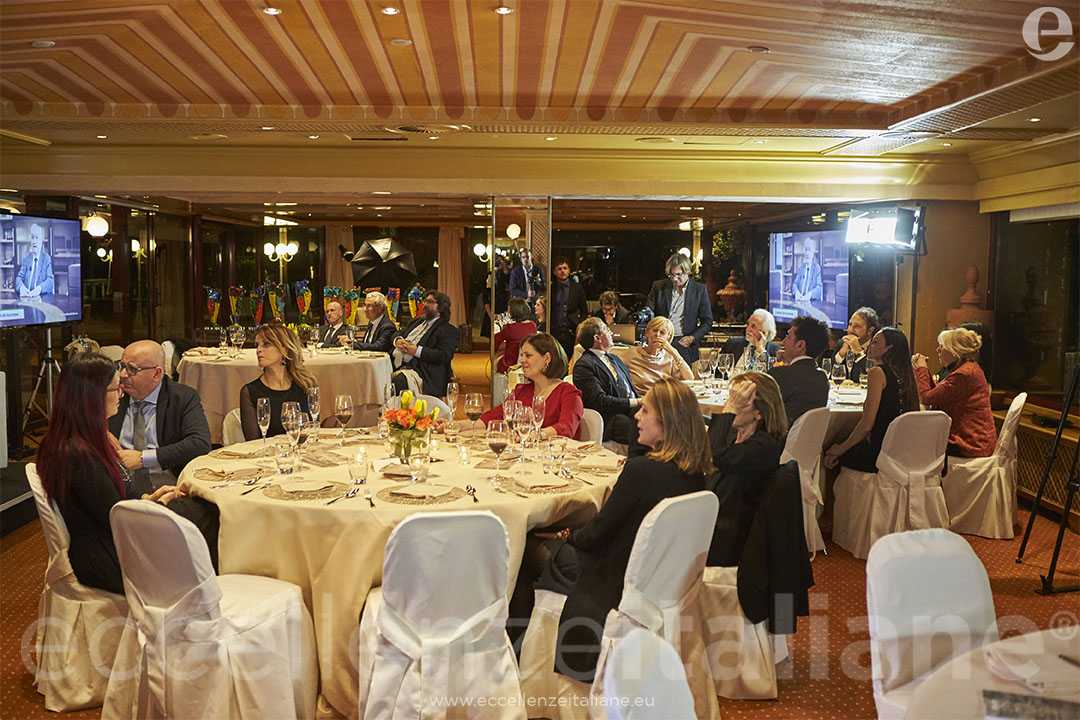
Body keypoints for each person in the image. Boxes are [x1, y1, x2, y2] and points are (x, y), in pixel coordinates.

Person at [519, 379, 713, 680]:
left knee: (526, 550)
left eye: (645, 411)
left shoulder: (641, 471)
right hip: (661, 580)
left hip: (615, 578)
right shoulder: (697, 472)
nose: (636, 416)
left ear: (667, 422)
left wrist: (566, 533)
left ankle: (521, 658)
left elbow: (596, 535)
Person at [38, 353, 220, 595]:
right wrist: (158, 507)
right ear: (93, 397)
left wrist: (150, 499)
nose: (121, 394)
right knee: (210, 513)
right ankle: (205, 598)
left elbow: (114, 500)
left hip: (111, 539)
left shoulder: (77, 440)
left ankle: (204, 592)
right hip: (110, 558)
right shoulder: (79, 454)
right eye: (116, 389)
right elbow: (117, 520)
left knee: (197, 506)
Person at [706, 372, 787, 567]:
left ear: (759, 413)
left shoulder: (764, 446)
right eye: (730, 399)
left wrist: (729, 409)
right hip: (714, 518)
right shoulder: (735, 436)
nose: (729, 406)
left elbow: (715, 455)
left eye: (738, 402)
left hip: (730, 539)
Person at [108, 340, 211, 493]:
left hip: (169, 487)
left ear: (156, 374)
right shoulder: (112, 395)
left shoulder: (182, 397)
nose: (123, 374)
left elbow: (199, 443)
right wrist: (101, 432)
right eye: (121, 366)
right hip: (119, 489)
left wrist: (143, 458)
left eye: (132, 369)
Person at [825, 327, 919, 472]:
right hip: (903, 450)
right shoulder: (908, 374)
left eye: (875, 342)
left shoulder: (877, 373)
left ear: (888, 348)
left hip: (880, 452)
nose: (870, 346)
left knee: (830, 451)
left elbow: (866, 425)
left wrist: (840, 448)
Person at [912, 328, 997, 458]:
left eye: (941, 346)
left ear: (954, 351)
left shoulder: (964, 374)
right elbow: (938, 395)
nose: (937, 350)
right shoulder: (968, 368)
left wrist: (921, 369)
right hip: (975, 439)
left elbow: (926, 398)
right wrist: (923, 370)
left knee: (914, 440)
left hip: (971, 443)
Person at [480, 333, 583, 438]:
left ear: (547, 358)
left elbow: (566, 427)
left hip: (556, 448)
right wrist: (470, 425)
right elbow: (494, 416)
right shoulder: (521, 391)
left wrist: (535, 435)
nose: (521, 360)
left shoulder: (569, 393)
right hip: (525, 448)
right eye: (521, 355)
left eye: (528, 355)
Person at [240, 323, 316, 441]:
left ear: (284, 349)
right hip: (267, 452)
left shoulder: (305, 385)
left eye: (266, 344)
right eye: (257, 345)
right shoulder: (250, 392)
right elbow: (253, 443)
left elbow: (313, 430)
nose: (258, 350)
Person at [572, 317, 640, 444]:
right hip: (610, 418)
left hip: (630, 410)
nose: (611, 333)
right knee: (643, 430)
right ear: (597, 338)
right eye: (607, 330)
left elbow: (630, 389)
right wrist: (635, 402)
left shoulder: (615, 359)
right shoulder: (584, 366)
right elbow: (600, 401)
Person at [646, 253, 713, 364]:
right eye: (671, 275)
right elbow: (649, 310)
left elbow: (707, 322)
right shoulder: (658, 287)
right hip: (661, 341)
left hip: (684, 343)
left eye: (678, 275)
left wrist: (692, 338)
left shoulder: (699, 290)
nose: (675, 279)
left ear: (688, 272)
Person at [391, 290, 458, 397]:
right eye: (425, 301)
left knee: (398, 381)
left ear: (441, 307)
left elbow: (444, 355)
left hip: (423, 372)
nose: (425, 305)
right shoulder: (417, 321)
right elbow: (397, 333)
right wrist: (398, 340)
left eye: (430, 302)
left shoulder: (448, 330)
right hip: (397, 363)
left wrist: (416, 351)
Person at [770, 316, 830, 425]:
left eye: (788, 336)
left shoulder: (778, 375)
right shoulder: (822, 378)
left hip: (778, 434)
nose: (783, 342)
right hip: (808, 435)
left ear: (800, 345)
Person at [624, 316, 693, 396]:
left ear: (668, 337)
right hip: (641, 399)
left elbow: (690, 379)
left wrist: (674, 352)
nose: (657, 334)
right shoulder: (632, 353)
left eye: (662, 332)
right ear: (647, 332)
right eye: (655, 330)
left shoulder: (670, 357)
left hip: (665, 398)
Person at [550, 258, 590, 361]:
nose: (562, 271)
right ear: (554, 272)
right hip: (554, 331)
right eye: (559, 269)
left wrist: (579, 325)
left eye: (565, 268)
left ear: (569, 270)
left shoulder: (577, 288)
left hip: (571, 331)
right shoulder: (551, 288)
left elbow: (584, 310)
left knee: (571, 360)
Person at [834, 307, 881, 383]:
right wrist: (841, 354)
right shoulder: (842, 343)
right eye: (850, 324)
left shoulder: (877, 347)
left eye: (857, 326)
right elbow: (830, 373)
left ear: (870, 330)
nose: (850, 330)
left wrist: (859, 353)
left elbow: (873, 375)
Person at [494, 297, 538, 373]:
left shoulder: (510, 328)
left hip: (510, 365)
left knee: (496, 361)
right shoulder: (533, 325)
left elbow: (495, 343)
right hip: (528, 363)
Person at [16, 222, 54, 298]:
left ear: (41, 241)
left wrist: (39, 289)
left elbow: (50, 281)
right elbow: (19, 278)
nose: (34, 241)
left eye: (37, 238)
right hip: (26, 298)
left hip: (41, 299)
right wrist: (21, 288)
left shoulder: (46, 258)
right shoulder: (26, 259)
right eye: (32, 237)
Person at [482, 255, 512, 338]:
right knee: (491, 334)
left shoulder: (505, 275)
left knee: (503, 333)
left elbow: (509, 289)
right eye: (498, 261)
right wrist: (490, 314)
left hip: (503, 306)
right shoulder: (490, 275)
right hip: (492, 305)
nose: (499, 264)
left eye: (501, 262)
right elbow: (485, 296)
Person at [792, 237, 823, 304]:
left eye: (809, 250)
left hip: (811, 303)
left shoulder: (817, 268)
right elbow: (795, 284)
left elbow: (819, 288)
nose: (807, 253)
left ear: (813, 252)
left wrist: (810, 295)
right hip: (799, 302)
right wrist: (797, 292)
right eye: (805, 250)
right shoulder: (801, 267)